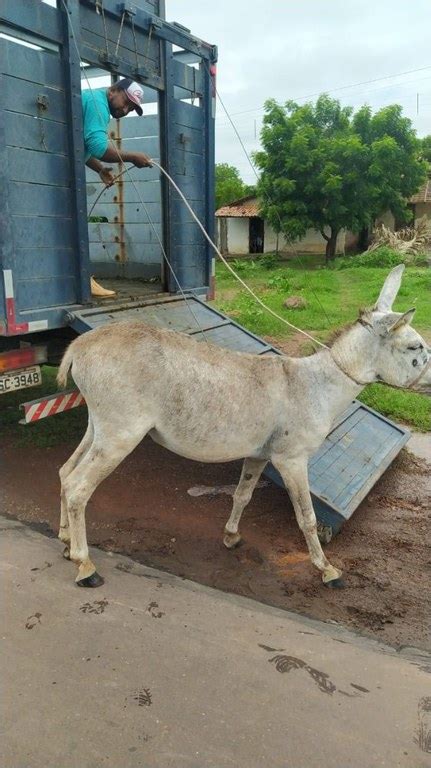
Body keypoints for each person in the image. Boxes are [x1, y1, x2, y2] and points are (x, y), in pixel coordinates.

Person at [82, 78, 153, 297]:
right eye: (126, 103)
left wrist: (100, 169)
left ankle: (82, 278)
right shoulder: (98, 104)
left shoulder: (95, 102)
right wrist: (132, 157)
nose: (126, 109)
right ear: (114, 90)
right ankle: (82, 279)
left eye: (131, 108)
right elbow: (97, 146)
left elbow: (82, 145)